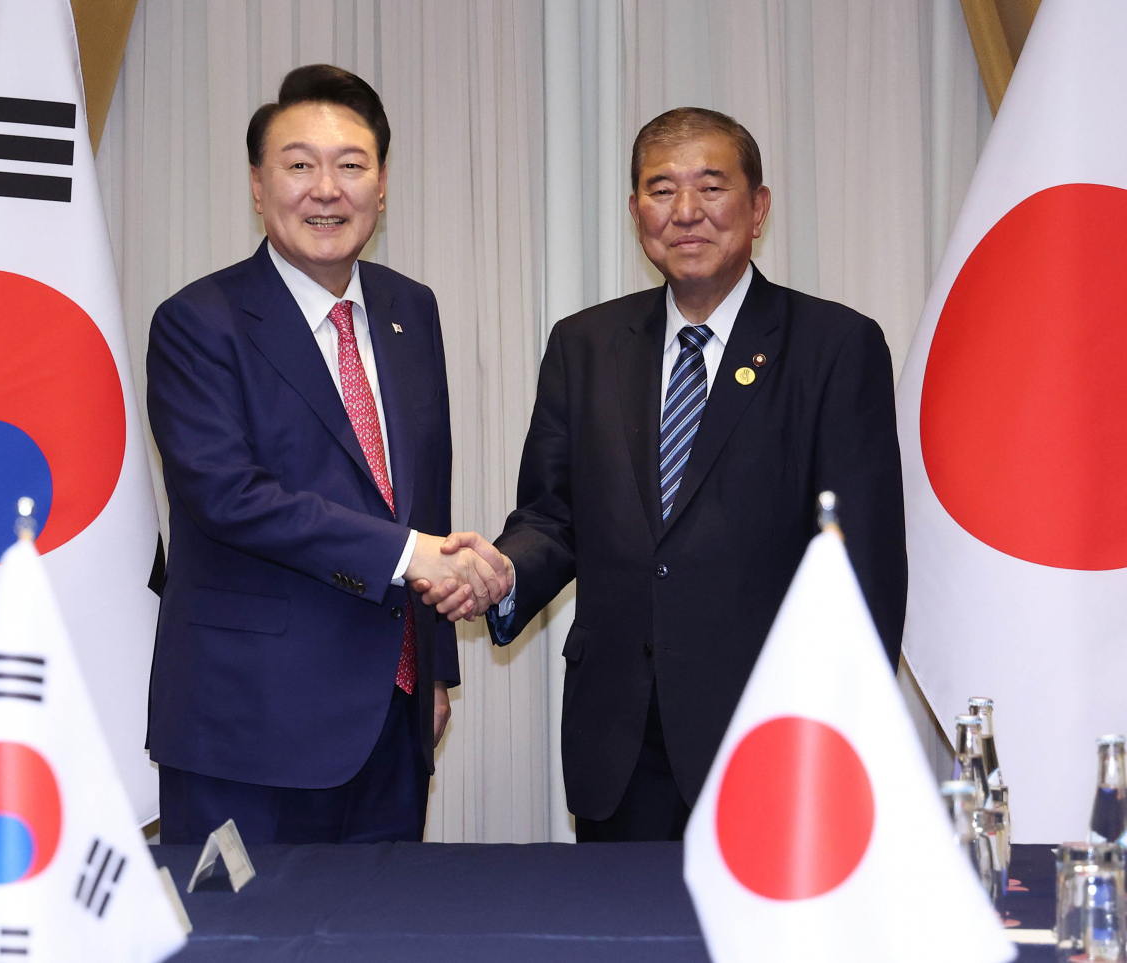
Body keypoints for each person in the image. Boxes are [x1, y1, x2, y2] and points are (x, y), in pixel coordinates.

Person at [421, 107, 907, 842]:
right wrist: (499, 573)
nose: (686, 212)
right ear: (635, 211)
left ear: (758, 206)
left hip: (774, 739)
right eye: (661, 190)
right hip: (621, 744)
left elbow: (864, 564)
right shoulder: (584, 344)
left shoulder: (834, 346)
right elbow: (552, 518)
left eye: (711, 187)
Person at [144, 64, 508, 845]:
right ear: (256, 184)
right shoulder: (197, 322)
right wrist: (414, 554)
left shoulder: (412, 309)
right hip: (249, 729)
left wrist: (434, 667)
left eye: (351, 165)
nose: (326, 188)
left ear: (381, 185)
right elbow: (229, 496)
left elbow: (422, 500)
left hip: (392, 719)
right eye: (299, 165)